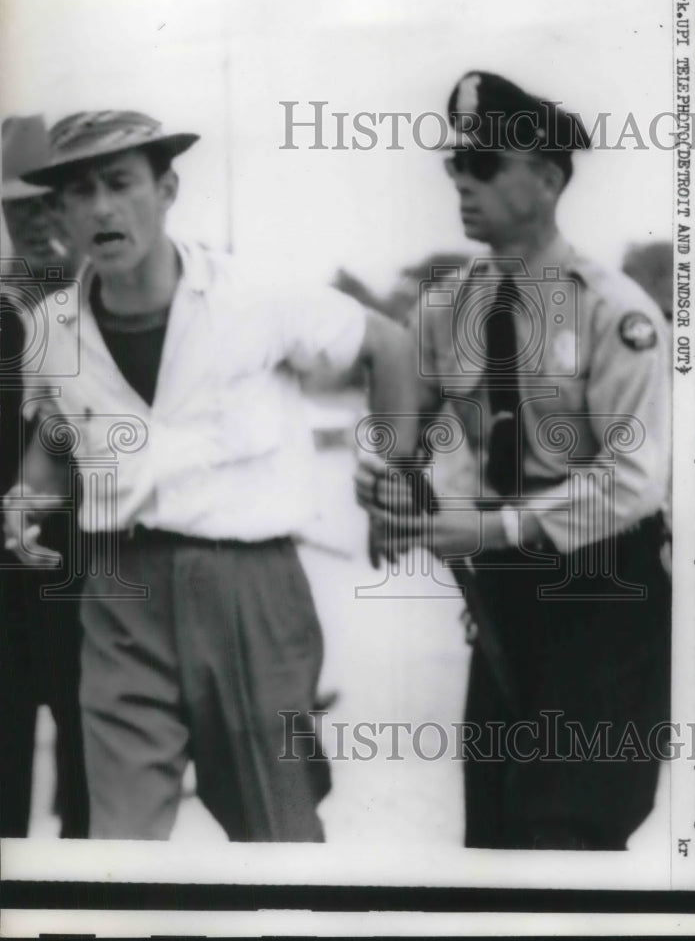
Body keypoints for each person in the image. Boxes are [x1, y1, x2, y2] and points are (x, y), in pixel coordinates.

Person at [3, 109, 418, 842]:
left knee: (278, 832)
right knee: (117, 844)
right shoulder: (52, 330)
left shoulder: (253, 295)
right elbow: (56, 441)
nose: (101, 207)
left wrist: (388, 471)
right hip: (119, 598)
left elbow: (389, 347)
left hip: (249, 591)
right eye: (79, 192)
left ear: (165, 189)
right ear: (59, 211)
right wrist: (25, 503)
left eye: (120, 183)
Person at [359, 71, 672, 850]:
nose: (464, 183)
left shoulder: (616, 314)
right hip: (503, 602)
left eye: (486, 166)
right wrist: (385, 486)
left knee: (568, 834)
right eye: (455, 167)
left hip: (605, 597)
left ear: (549, 178)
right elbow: (410, 436)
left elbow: (632, 482)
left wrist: (493, 529)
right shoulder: (443, 311)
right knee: (494, 835)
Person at [1, 115, 89, 838]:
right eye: (12, 207)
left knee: (92, 759)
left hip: (94, 568)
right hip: (6, 578)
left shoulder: (109, 310)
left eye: (43, 203)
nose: (31, 223)